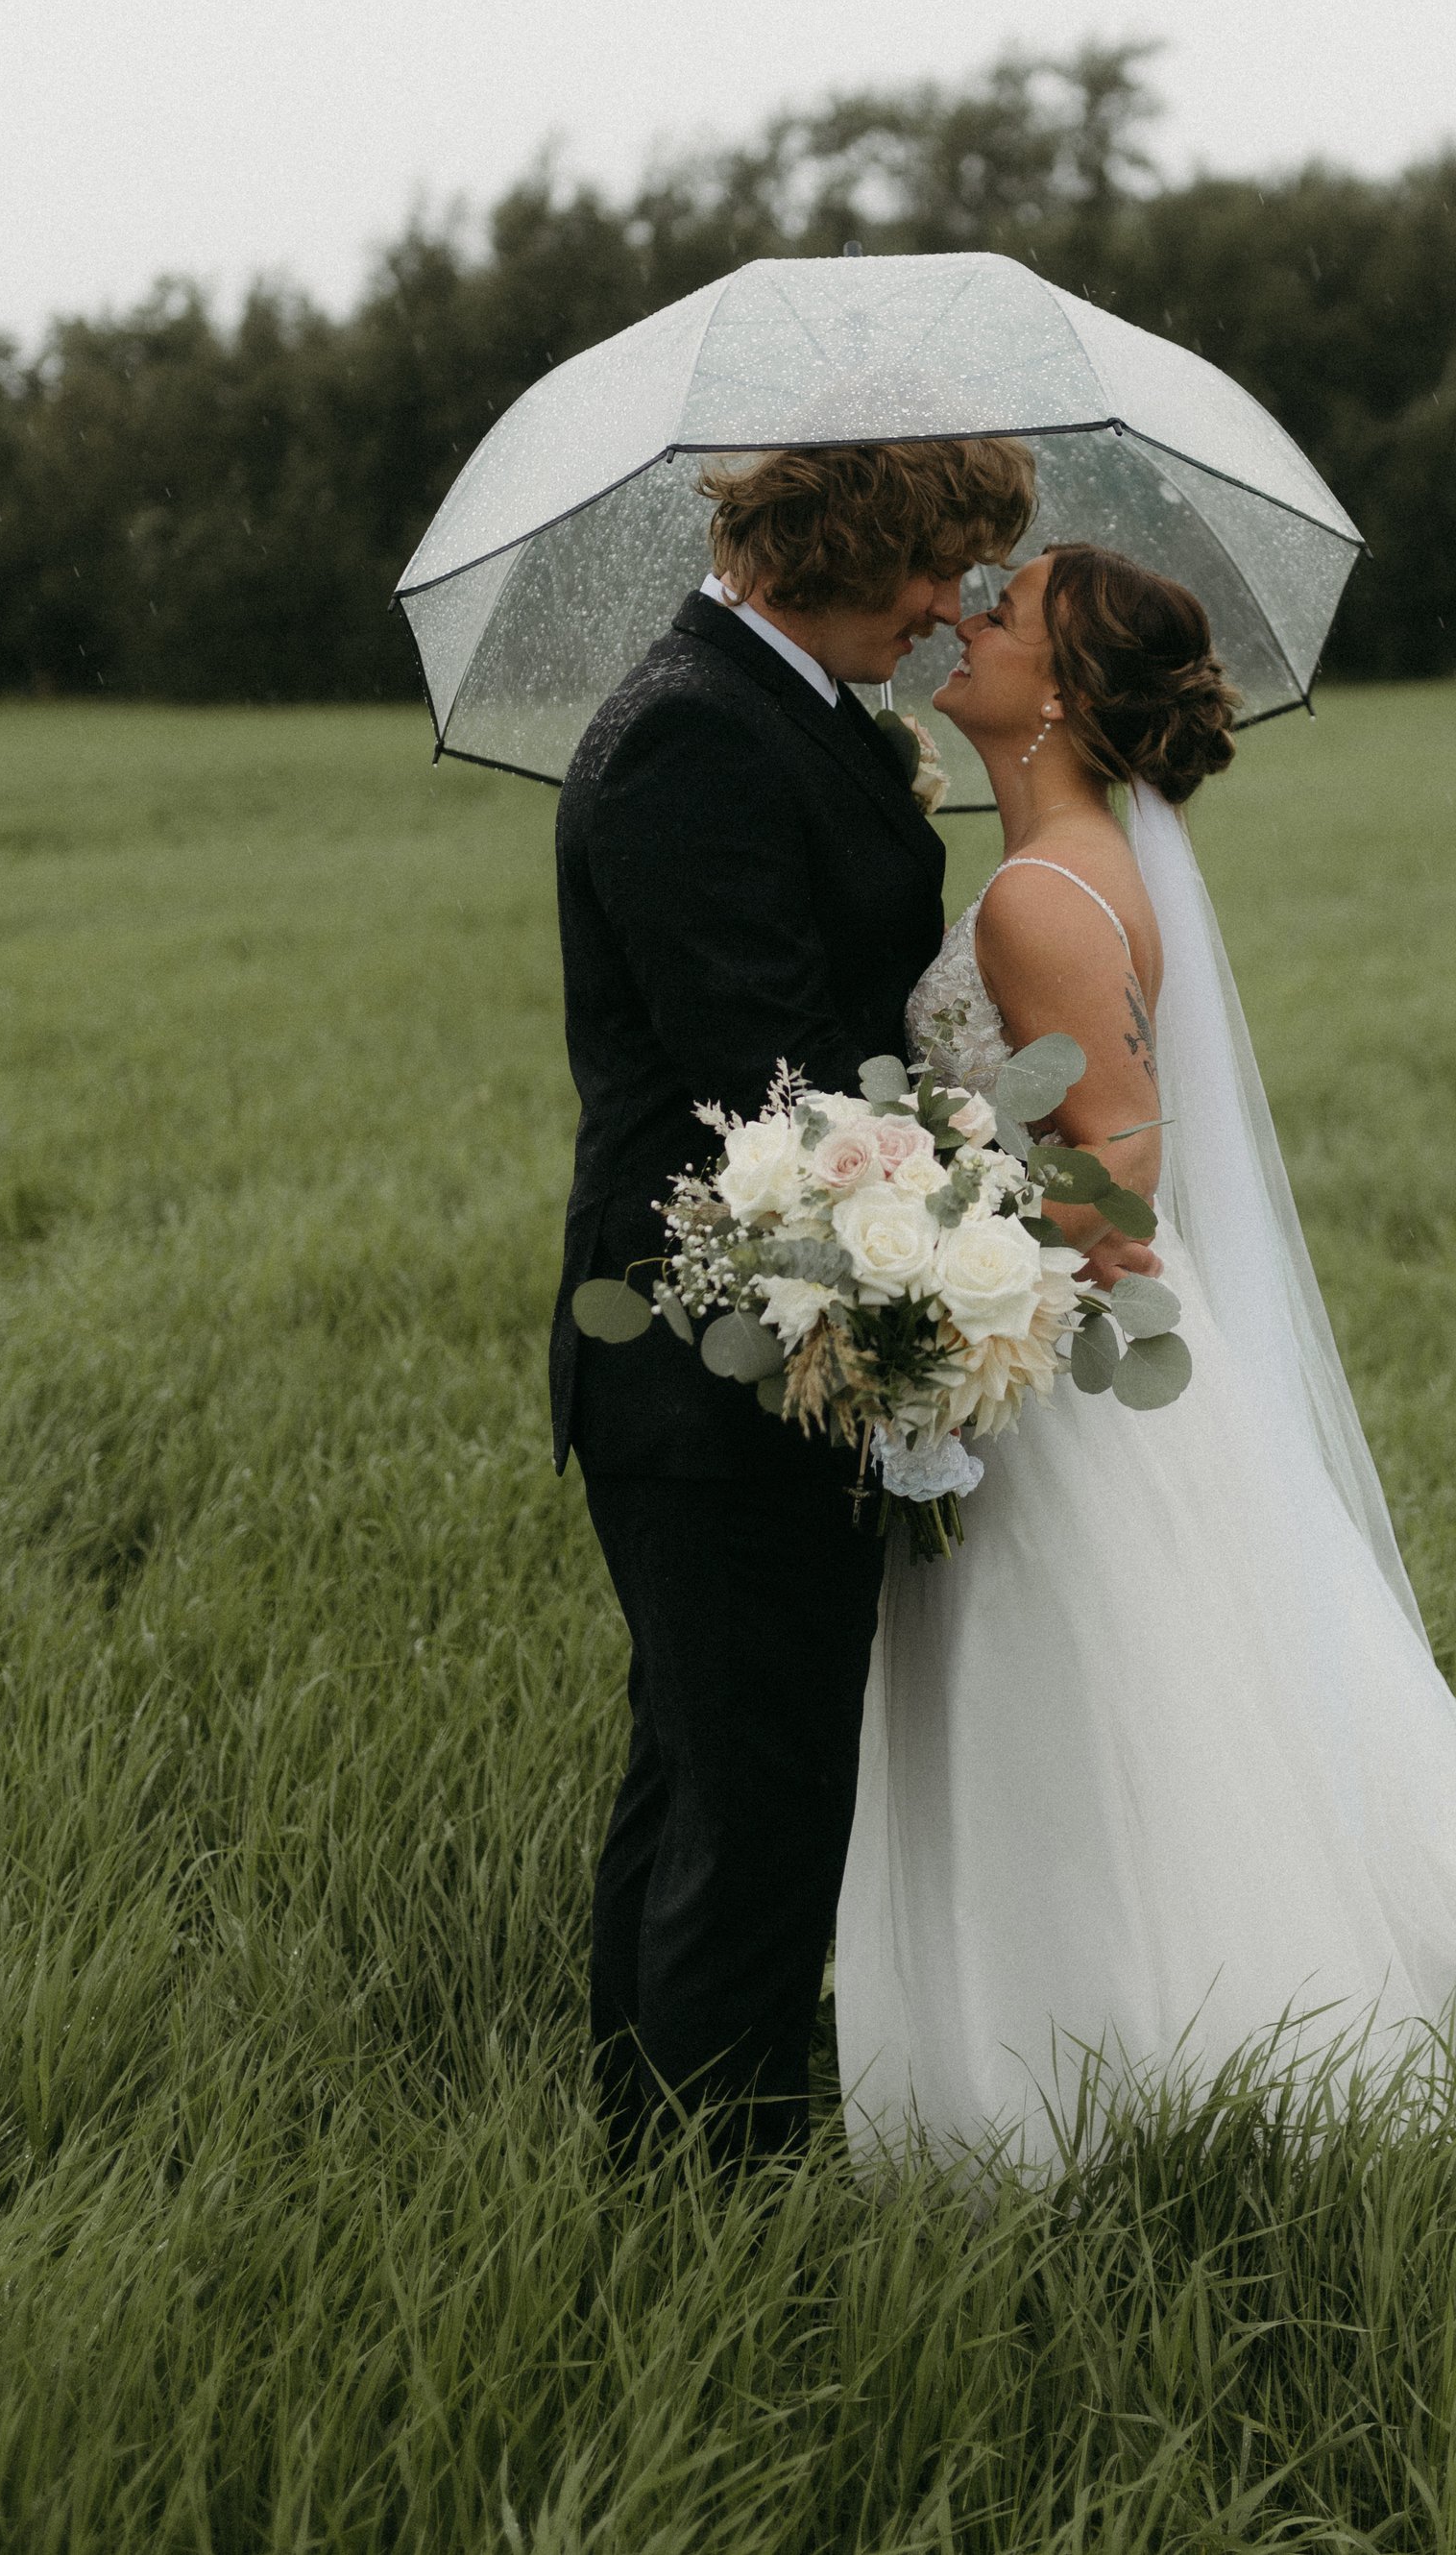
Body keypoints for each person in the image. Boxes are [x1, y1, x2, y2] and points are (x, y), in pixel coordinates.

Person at [834, 543, 1456, 2168]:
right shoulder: (1075, 864)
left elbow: (1122, 1174)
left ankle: (1113, 2068)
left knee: (1075, 1718)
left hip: (1054, 1380)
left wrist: (927, 1233)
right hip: (1085, 1368)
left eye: (1004, 613)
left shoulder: (1041, 893)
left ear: (1073, 694)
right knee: (1143, 1714)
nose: (962, 619)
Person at [548, 433, 1034, 2160]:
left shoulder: (798, 709)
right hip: (715, 1353)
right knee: (751, 1807)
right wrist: (979, 1171)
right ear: (834, 540)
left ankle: (657, 2159)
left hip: (778, 1335)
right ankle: (706, 2193)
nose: (944, 607)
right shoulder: (692, 727)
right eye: (932, 564)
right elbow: (770, 1069)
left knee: (706, 1773)